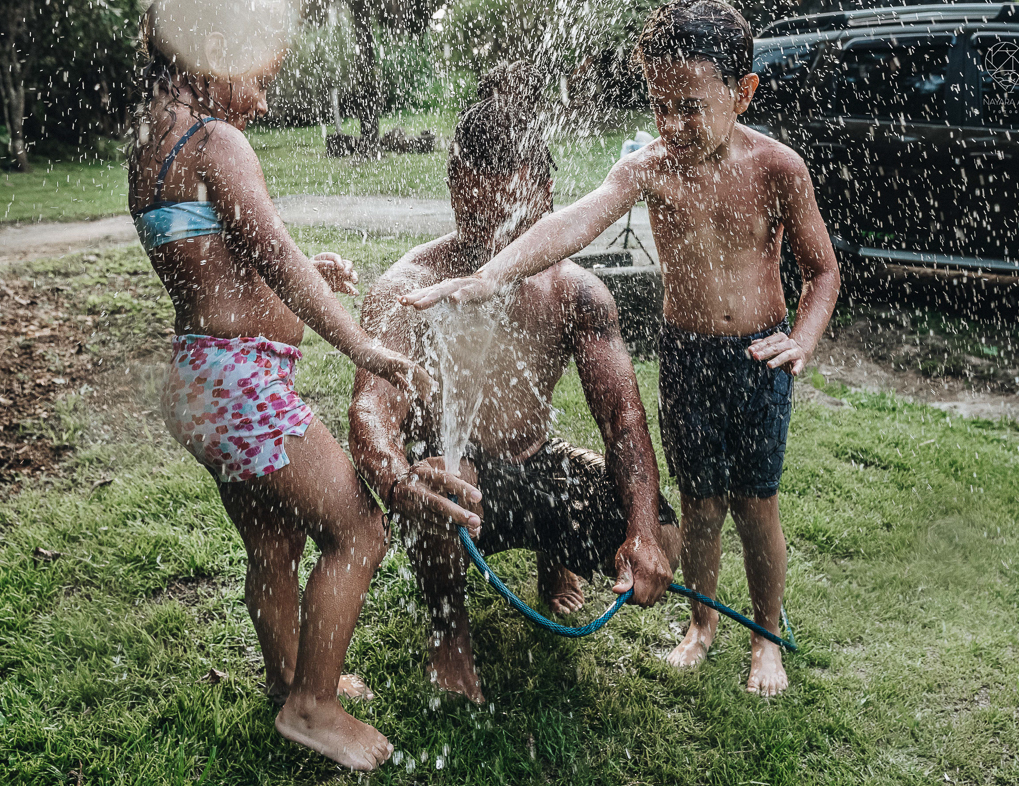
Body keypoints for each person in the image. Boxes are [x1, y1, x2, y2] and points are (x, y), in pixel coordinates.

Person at [399, 0, 841, 697]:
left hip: (760, 356)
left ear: (744, 91)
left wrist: (804, 340)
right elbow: (572, 224)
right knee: (698, 506)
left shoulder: (777, 168)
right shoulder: (651, 168)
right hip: (688, 355)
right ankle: (701, 626)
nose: (673, 126)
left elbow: (823, 271)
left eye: (691, 106)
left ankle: (764, 637)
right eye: (661, 105)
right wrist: (486, 276)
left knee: (756, 506)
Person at [130, 0, 429, 769]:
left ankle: (285, 675)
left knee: (275, 541)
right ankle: (313, 705)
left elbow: (213, 263)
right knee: (358, 526)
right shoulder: (216, 140)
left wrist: (301, 275)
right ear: (218, 48)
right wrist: (363, 341)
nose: (262, 101)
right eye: (258, 79)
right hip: (237, 383)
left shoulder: (153, 142)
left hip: (198, 379)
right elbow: (283, 269)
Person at [349, 62, 681, 704]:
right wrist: (400, 480)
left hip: (536, 458)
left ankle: (555, 564)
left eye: (507, 219)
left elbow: (623, 422)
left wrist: (639, 528)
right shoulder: (405, 290)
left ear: (547, 196)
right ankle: (448, 635)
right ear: (452, 187)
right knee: (449, 481)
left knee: (666, 536)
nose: (489, 240)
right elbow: (370, 409)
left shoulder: (576, 292)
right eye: (473, 216)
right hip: (453, 477)